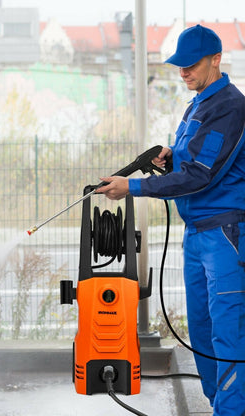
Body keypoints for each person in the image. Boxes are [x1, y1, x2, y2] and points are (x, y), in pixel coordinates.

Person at [97, 24, 245, 415]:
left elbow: (202, 174)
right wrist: (171, 154)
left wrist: (132, 188)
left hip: (225, 235)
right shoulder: (198, 103)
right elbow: (194, 158)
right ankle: (218, 404)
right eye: (179, 66)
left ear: (216, 59)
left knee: (229, 334)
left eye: (191, 65)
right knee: (201, 330)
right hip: (197, 234)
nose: (183, 72)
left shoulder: (229, 105)